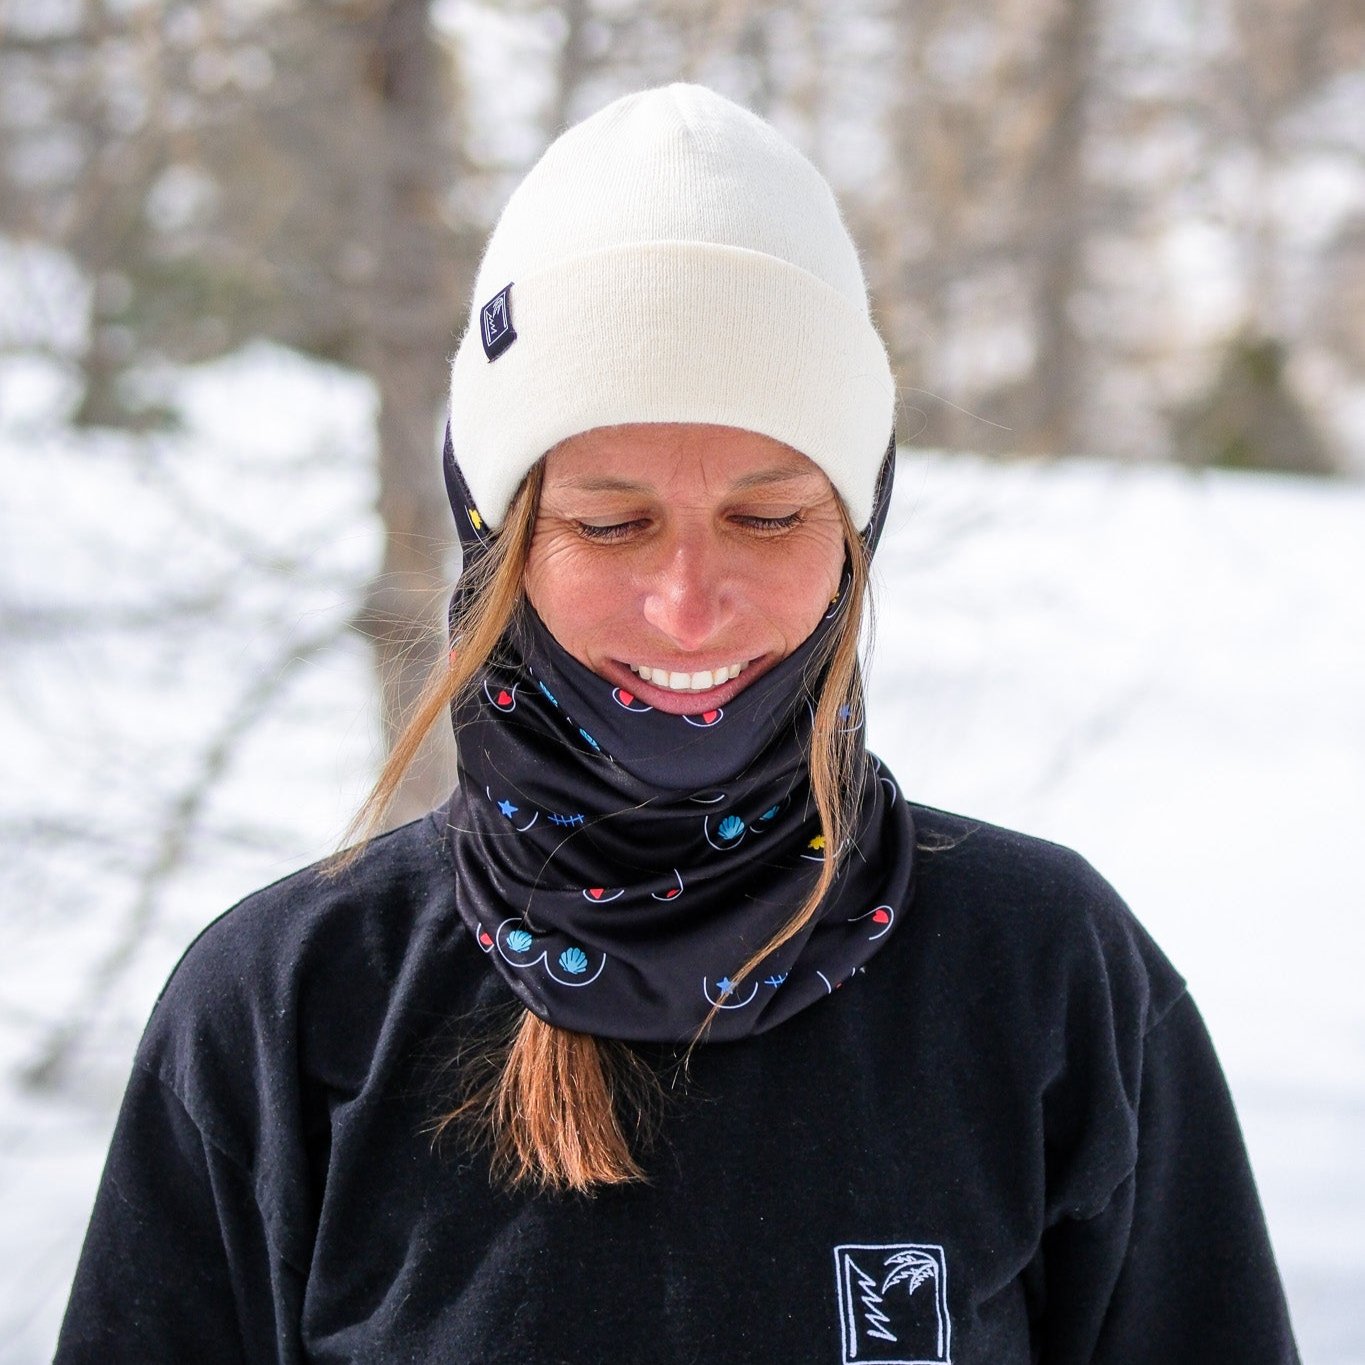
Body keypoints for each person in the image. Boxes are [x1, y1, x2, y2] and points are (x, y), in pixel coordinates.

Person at [56, 84, 1299, 1364]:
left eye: (768, 517)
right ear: (497, 540)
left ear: (857, 531)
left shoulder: (1047, 976)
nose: (689, 607)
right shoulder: (289, 1005)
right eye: (610, 524)